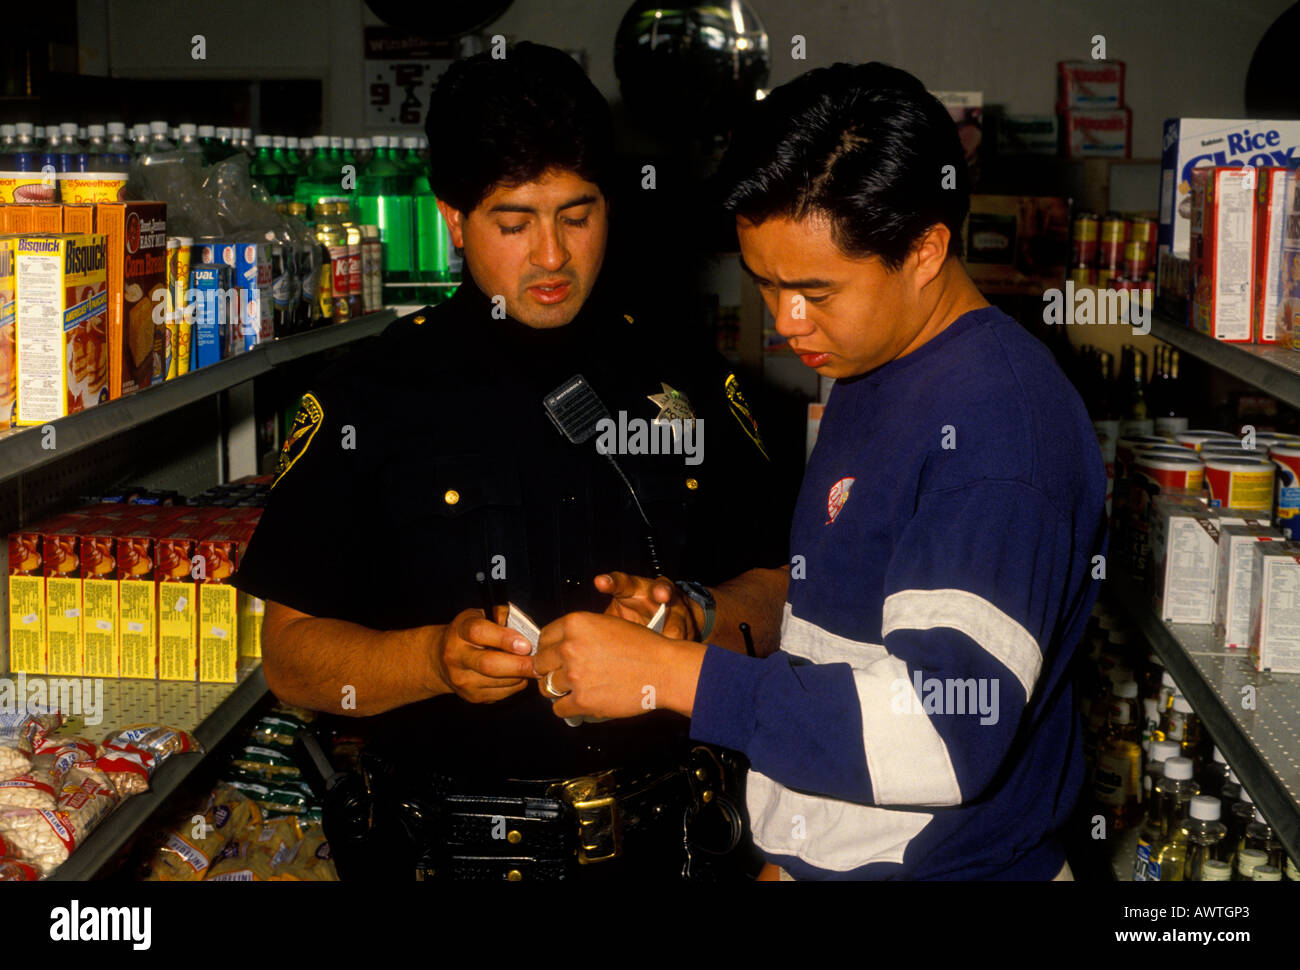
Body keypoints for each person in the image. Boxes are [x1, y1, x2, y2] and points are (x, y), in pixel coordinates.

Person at [532, 61, 1108, 880]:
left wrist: (673, 677)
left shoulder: (1000, 431)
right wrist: (696, 619)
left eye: (815, 291)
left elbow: (945, 733)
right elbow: (839, 617)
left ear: (924, 249)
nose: (785, 322)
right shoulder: (874, 366)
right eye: (764, 284)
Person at [232, 42, 791, 881]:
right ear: (453, 219)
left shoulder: (692, 383)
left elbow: (782, 595)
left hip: (674, 845)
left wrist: (698, 618)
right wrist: (430, 659)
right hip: (443, 855)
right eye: (514, 222)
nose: (554, 256)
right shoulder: (369, 396)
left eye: (578, 214)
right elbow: (292, 656)